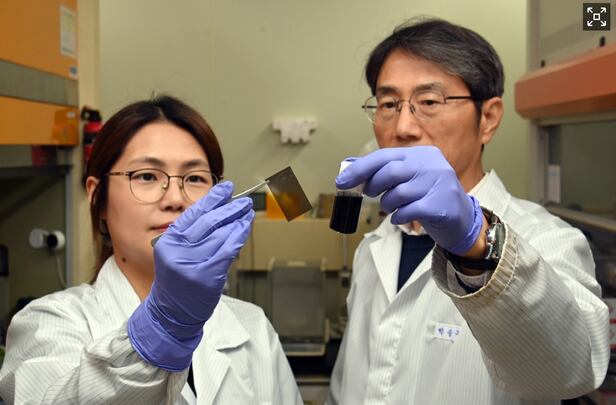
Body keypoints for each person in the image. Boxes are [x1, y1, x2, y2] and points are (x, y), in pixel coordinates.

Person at [328, 18, 609, 404]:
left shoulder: (549, 239)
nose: (404, 127)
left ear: (488, 118)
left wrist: (477, 243)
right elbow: (349, 385)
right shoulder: (374, 247)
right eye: (389, 104)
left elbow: (570, 371)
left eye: (429, 102)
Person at [0, 95, 302, 404]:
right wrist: (162, 330)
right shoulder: (47, 323)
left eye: (195, 178)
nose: (175, 198)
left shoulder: (253, 327)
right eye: (146, 176)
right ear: (96, 196)